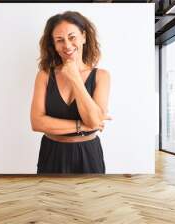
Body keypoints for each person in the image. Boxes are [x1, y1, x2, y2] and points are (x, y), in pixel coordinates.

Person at [30, 11, 112, 174]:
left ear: (84, 36)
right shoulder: (45, 75)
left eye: (72, 37)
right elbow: (37, 123)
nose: (67, 45)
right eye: (59, 40)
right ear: (53, 45)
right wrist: (82, 125)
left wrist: (75, 77)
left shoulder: (101, 76)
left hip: (88, 154)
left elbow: (94, 120)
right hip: (51, 152)